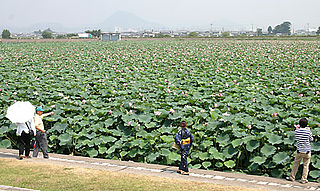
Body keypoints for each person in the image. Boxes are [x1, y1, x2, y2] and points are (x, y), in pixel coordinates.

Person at [287, 118, 313, 184]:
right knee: (306, 165)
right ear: (307, 124)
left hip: (299, 150)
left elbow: (297, 138)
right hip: (307, 151)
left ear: (299, 124)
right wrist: (308, 131)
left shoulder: (296, 131)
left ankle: (292, 177)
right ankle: (303, 179)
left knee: (296, 164)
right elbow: (311, 139)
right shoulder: (308, 132)